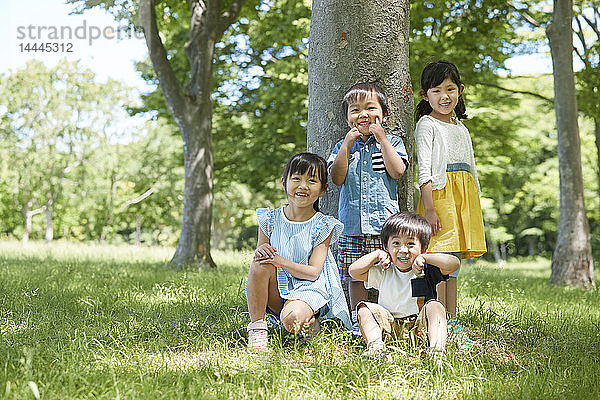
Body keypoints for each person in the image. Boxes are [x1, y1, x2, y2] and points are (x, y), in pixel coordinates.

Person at [246, 152, 352, 350]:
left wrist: (280, 261)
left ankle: (310, 321)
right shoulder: (270, 219)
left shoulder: (322, 225)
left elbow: (313, 273)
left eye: (312, 181)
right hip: (277, 288)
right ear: (284, 182)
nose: (303, 186)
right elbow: (262, 259)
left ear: (323, 189)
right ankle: (258, 328)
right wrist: (265, 255)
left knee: (292, 319)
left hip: (308, 289)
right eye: (296, 178)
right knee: (260, 263)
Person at [414, 60, 486, 340]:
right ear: (425, 95)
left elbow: (471, 169)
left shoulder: (461, 128)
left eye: (451, 89)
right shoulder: (427, 124)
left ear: (460, 91)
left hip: (462, 200)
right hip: (439, 198)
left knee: (453, 263)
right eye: (437, 90)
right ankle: (434, 320)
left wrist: (472, 204)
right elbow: (425, 170)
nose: (445, 97)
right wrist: (430, 209)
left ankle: (452, 323)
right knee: (437, 261)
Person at [327, 82, 409, 323]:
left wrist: (382, 139)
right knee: (356, 275)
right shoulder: (342, 146)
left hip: (383, 225)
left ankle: (388, 317)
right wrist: (346, 146)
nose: (362, 114)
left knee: (387, 271)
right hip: (351, 225)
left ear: (383, 114)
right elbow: (336, 178)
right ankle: (357, 319)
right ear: (347, 118)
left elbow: (397, 172)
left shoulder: (392, 143)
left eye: (370, 108)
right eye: (355, 110)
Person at [349, 212, 460, 357]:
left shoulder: (426, 270)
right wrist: (376, 255)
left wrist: (425, 258)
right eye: (396, 243)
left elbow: (454, 264)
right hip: (389, 329)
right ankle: (375, 346)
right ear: (386, 247)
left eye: (410, 244)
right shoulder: (384, 271)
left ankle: (436, 350)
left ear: (424, 247)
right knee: (364, 308)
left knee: (436, 306)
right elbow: (354, 272)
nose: (403, 250)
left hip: (419, 329)